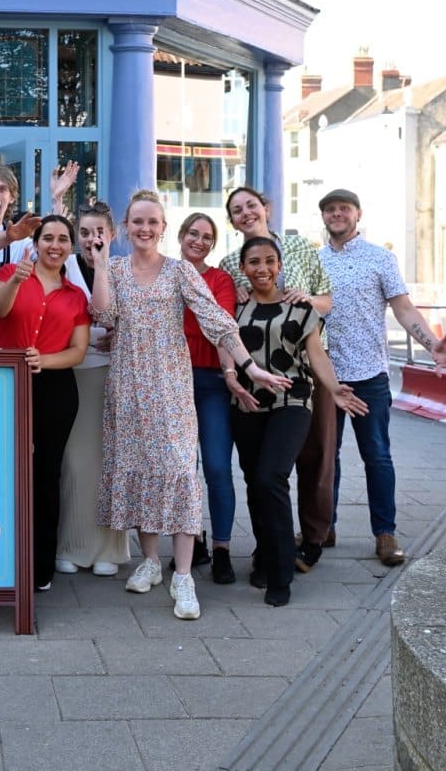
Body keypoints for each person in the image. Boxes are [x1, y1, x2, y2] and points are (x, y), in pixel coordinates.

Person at [88, 189, 285, 621]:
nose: (144, 229)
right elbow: (102, 316)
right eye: (136, 222)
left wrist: (249, 368)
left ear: (163, 228)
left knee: (178, 472)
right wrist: (101, 265)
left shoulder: (179, 273)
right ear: (126, 226)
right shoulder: (116, 269)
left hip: (172, 387)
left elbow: (217, 320)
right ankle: (150, 562)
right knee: (139, 469)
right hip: (127, 387)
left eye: (152, 222)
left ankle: (183, 575)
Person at [316, 188, 446, 567]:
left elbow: (403, 308)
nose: (337, 215)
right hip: (327, 375)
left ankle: (385, 532)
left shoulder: (381, 259)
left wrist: (433, 345)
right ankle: (323, 527)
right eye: (331, 210)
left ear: (357, 214)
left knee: (377, 457)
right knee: (324, 457)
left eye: (344, 209)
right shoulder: (314, 262)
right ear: (323, 217)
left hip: (369, 375)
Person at [231, 236, 368, 606]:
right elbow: (225, 348)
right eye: (254, 262)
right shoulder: (235, 307)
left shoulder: (302, 309)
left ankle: (280, 570)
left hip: (291, 401)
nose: (263, 268)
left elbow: (316, 354)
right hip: (246, 401)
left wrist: (335, 388)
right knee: (254, 482)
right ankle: (264, 554)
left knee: (270, 476)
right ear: (243, 269)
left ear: (279, 266)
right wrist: (233, 379)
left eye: (270, 261)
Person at [221, 185, 338, 573]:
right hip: (253, 381)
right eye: (237, 210)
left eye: (251, 205)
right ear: (233, 220)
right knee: (265, 472)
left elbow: (327, 301)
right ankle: (271, 546)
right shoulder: (227, 264)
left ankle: (314, 537)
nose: (246, 213)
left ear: (266, 208)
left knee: (316, 456)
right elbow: (223, 317)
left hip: (304, 368)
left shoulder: (301, 248)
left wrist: (306, 299)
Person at [0, 215, 92, 590]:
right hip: (5, 385)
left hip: (55, 389)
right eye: (48, 237)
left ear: (70, 247)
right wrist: (17, 279)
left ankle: (40, 565)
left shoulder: (76, 296)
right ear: (36, 242)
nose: (55, 245)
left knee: (46, 474)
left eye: (63, 239)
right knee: (3, 471)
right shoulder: (9, 273)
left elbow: (78, 351)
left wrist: (41, 360)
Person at [54, 202, 130, 577]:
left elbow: (125, 318)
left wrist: (122, 336)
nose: (91, 239)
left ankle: (109, 549)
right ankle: (70, 543)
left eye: (98, 231)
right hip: (69, 372)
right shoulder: (62, 265)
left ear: (112, 234)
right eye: (83, 232)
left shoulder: (123, 270)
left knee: (107, 461)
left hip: (111, 376)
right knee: (73, 461)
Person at [177, 212, 239, 585]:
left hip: (213, 380)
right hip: (174, 382)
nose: (199, 241)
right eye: (193, 234)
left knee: (216, 467)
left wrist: (231, 373)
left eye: (207, 237)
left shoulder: (220, 279)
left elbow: (220, 321)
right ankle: (191, 541)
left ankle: (222, 548)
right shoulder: (166, 274)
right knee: (183, 471)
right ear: (181, 236)